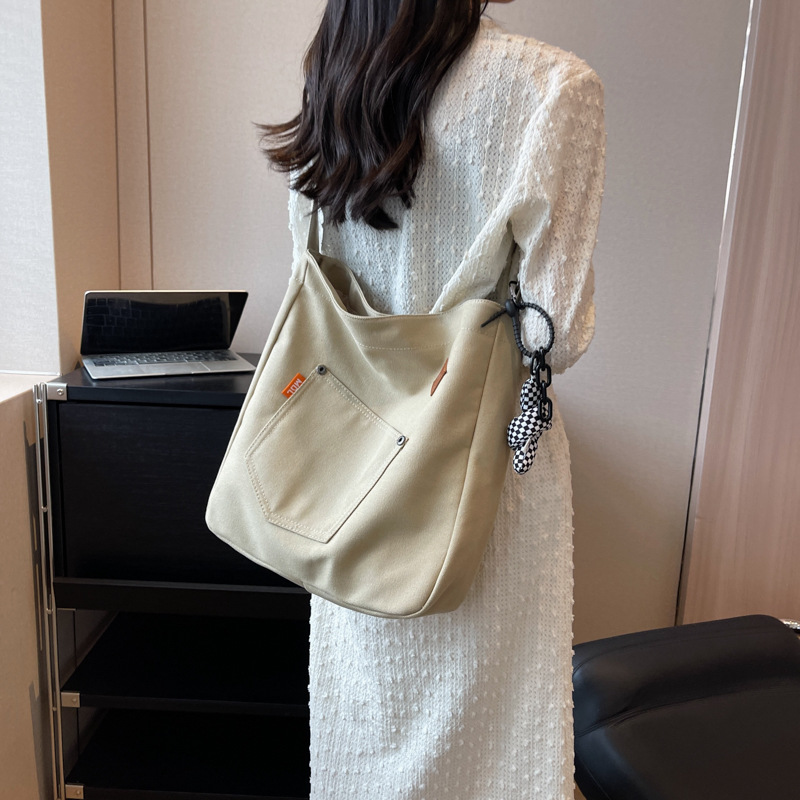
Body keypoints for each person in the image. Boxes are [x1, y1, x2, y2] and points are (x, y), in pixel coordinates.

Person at [259, 1, 606, 797]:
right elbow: (556, 333)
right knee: (493, 751)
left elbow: (314, 276)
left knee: (366, 732)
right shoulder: (554, 88)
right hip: (484, 476)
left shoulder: (336, 81)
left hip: (353, 468)